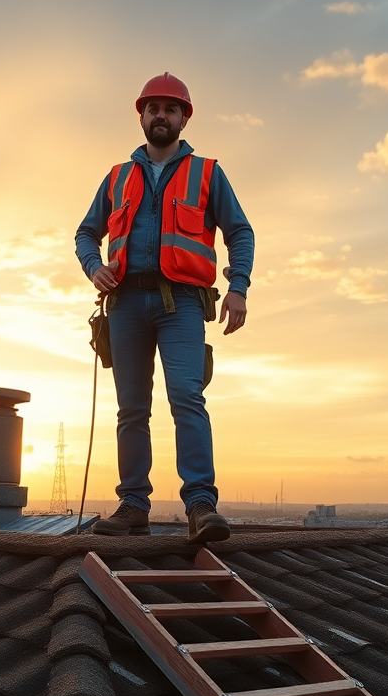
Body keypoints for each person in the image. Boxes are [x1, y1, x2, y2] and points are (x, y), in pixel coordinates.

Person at [74, 72, 255, 542]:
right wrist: (94, 266)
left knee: (187, 399)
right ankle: (133, 506)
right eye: (153, 108)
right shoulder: (118, 177)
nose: (161, 115)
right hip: (127, 303)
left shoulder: (207, 173)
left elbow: (240, 231)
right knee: (131, 409)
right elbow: (85, 233)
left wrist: (239, 286)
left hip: (184, 305)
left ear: (183, 117)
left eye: (170, 109)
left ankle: (200, 506)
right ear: (142, 115)